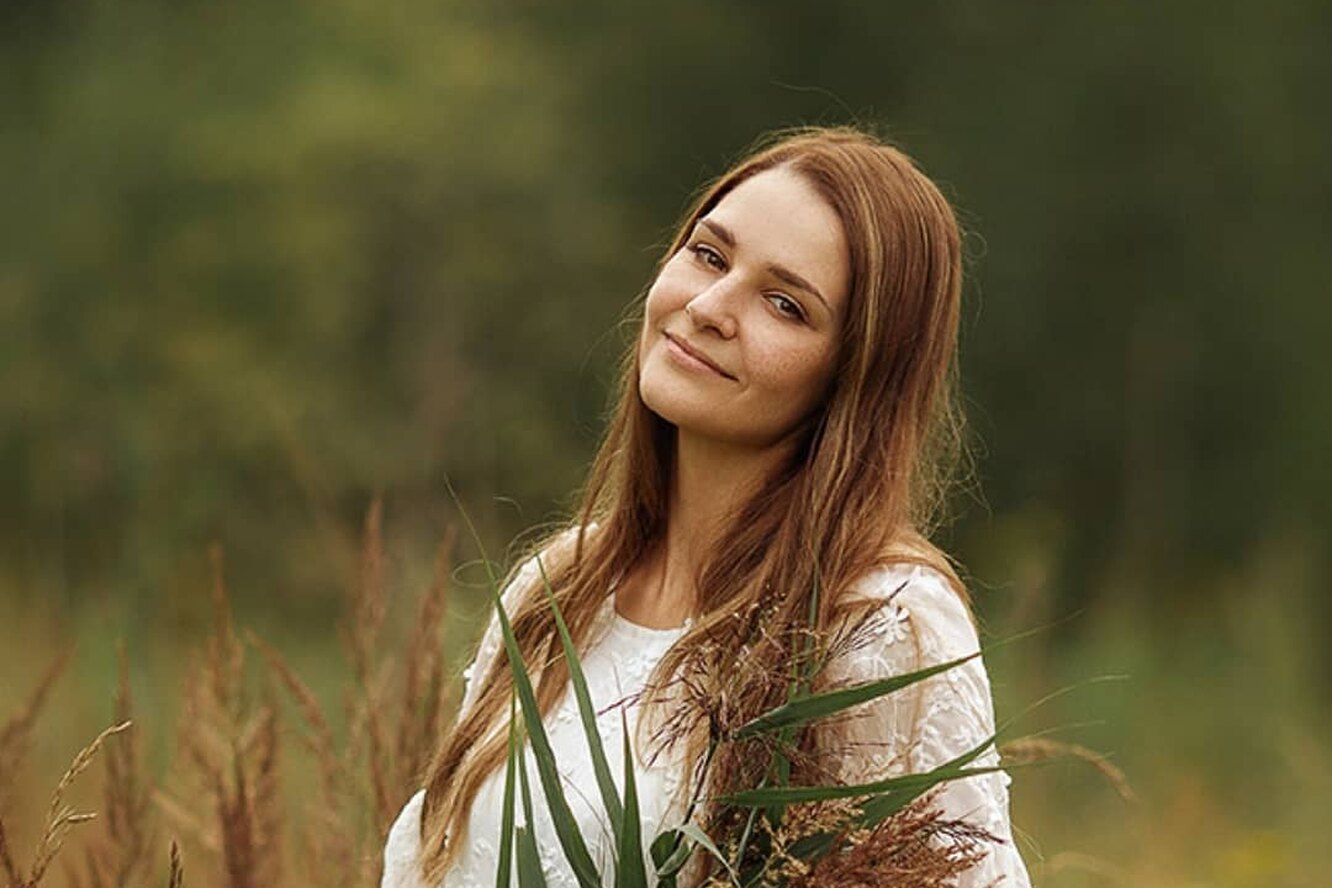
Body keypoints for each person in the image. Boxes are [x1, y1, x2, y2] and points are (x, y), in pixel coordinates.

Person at [381, 126, 1032, 887]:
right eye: (709, 255)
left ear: (854, 378)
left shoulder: (876, 622)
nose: (712, 306)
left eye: (786, 304)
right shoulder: (558, 585)